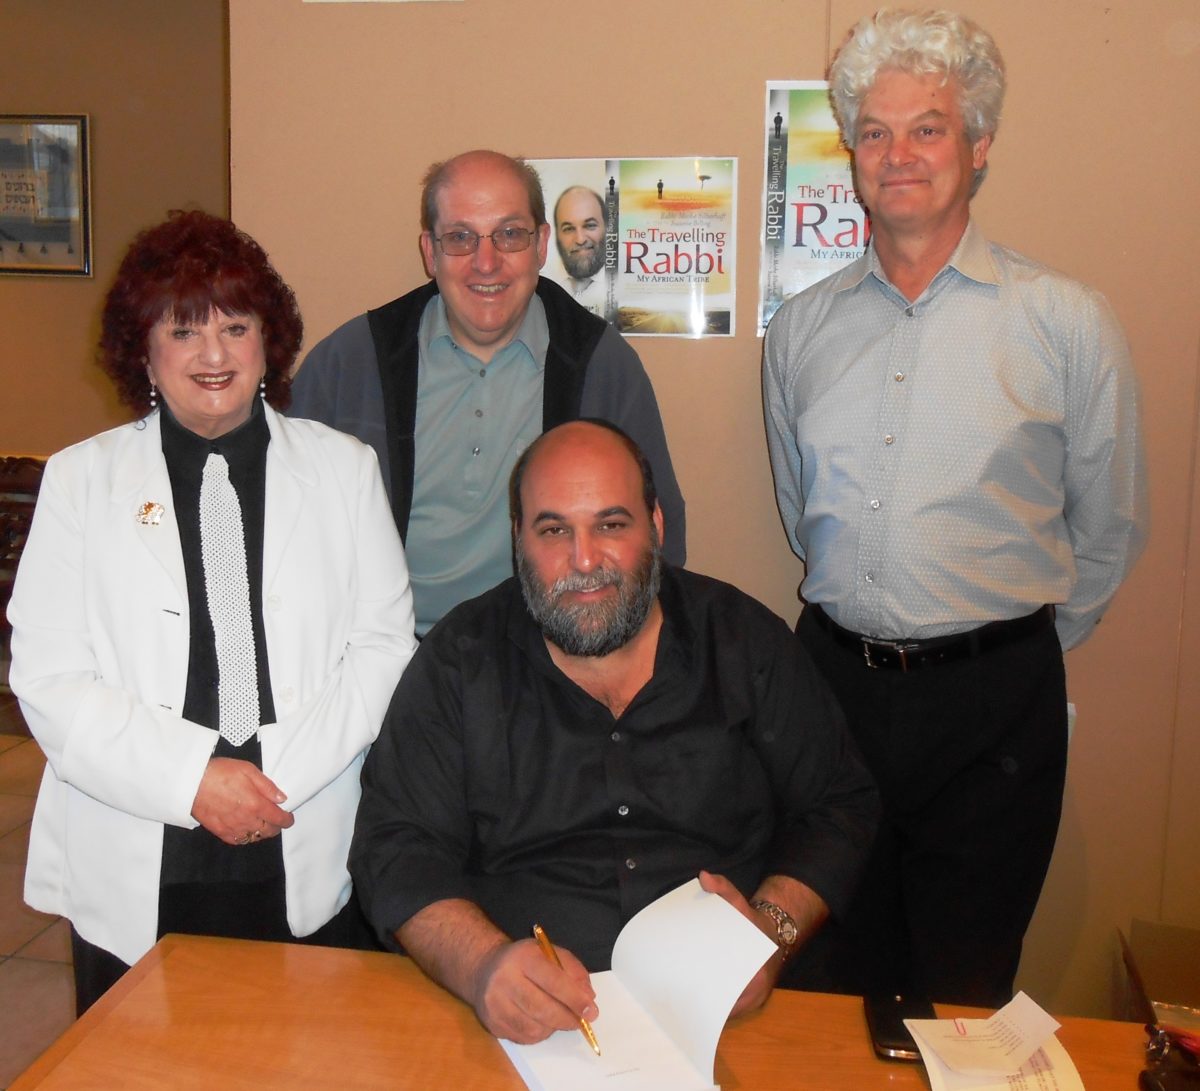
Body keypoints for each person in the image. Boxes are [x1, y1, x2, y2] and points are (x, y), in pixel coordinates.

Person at [763, 9, 1147, 1007]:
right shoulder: (801, 330)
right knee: (824, 983)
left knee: (963, 994)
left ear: (979, 147)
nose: (899, 155)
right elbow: (803, 514)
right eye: (876, 131)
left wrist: (998, 649)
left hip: (994, 713)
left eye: (928, 127)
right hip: (835, 691)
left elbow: (1105, 528)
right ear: (850, 152)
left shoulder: (1063, 319)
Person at [351, 420, 878, 1044]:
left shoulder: (743, 642)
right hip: (520, 1029)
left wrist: (769, 934)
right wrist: (480, 965)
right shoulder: (459, 661)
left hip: (734, 1016)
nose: (584, 560)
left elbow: (839, 805)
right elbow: (395, 845)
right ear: (518, 539)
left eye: (610, 524)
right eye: (553, 530)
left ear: (656, 526)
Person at [9, 210, 417, 1014]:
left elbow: (382, 648)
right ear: (144, 351)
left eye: (236, 325)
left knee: (305, 1051)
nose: (214, 354)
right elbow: (50, 678)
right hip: (140, 835)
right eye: (184, 329)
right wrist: (191, 778)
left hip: (300, 822)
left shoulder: (344, 471)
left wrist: (271, 782)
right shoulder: (80, 482)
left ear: (270, 339)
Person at [289, 150, 686, 637]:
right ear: (429, 252)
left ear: (541, 244)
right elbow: (284, 527)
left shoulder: (600, 365)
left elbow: (658, 539)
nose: (486, 262)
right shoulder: (351, 362)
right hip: (381, 652)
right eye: (460, 238)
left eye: (510, 235)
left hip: (546, 653)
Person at [553, 185, 607, 307]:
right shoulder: (540, 289)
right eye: (569, 229)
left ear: (606, 228)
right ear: (557, 235)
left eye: (590, 226)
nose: (580, 239)